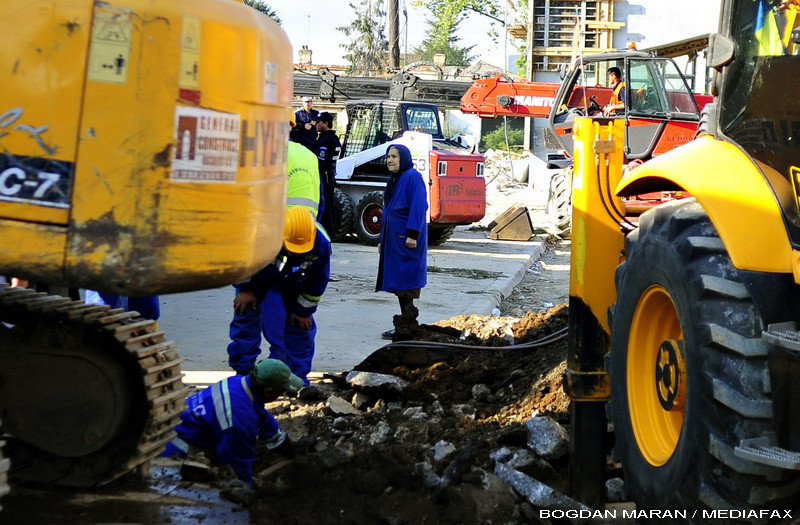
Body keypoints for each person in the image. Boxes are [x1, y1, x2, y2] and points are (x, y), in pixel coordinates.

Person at [227, 207, 331, 384]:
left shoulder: (321, 243)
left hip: (297, 279)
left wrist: (303, 311)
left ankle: (297, 378)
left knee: (301, 325)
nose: (297, 252)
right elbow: (242, 262)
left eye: (301, 249)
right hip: (260, 272)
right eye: (294, 249)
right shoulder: (260, 233)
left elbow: (318, 281)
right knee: (245, 311)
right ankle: (243, 371)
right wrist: (246, 289)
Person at [161, 358, 302, 485]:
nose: (281, 395)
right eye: (281, 392)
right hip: (177, 454)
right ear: (268, 391)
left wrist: (287, 445)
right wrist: (248, 489)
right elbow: (236, 464)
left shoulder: (241, 383)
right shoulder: (240, 418)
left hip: (182, 429)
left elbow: (262, 415)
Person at [375, 144, 428, 340]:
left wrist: (412, 234)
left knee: (407, 281)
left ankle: (407, 326)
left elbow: (419, 206)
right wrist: (382, 239)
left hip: (407, 240)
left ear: (403, 158)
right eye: (388, 156)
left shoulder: (412, 177)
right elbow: (388, 211)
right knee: (400, 282)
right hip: (394, 239)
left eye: (394, 157)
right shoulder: (394, 179)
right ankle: (406, 325)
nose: (390, 160)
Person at [312, 112, 342, 233]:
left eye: (318, 122)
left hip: (323, 177)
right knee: (328, 206)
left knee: (323, 207)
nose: (316, 124)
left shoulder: (325, 140)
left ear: (325, 123)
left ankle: (323, 232)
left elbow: (320, 161)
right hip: (330, 176)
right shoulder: (335, 139)